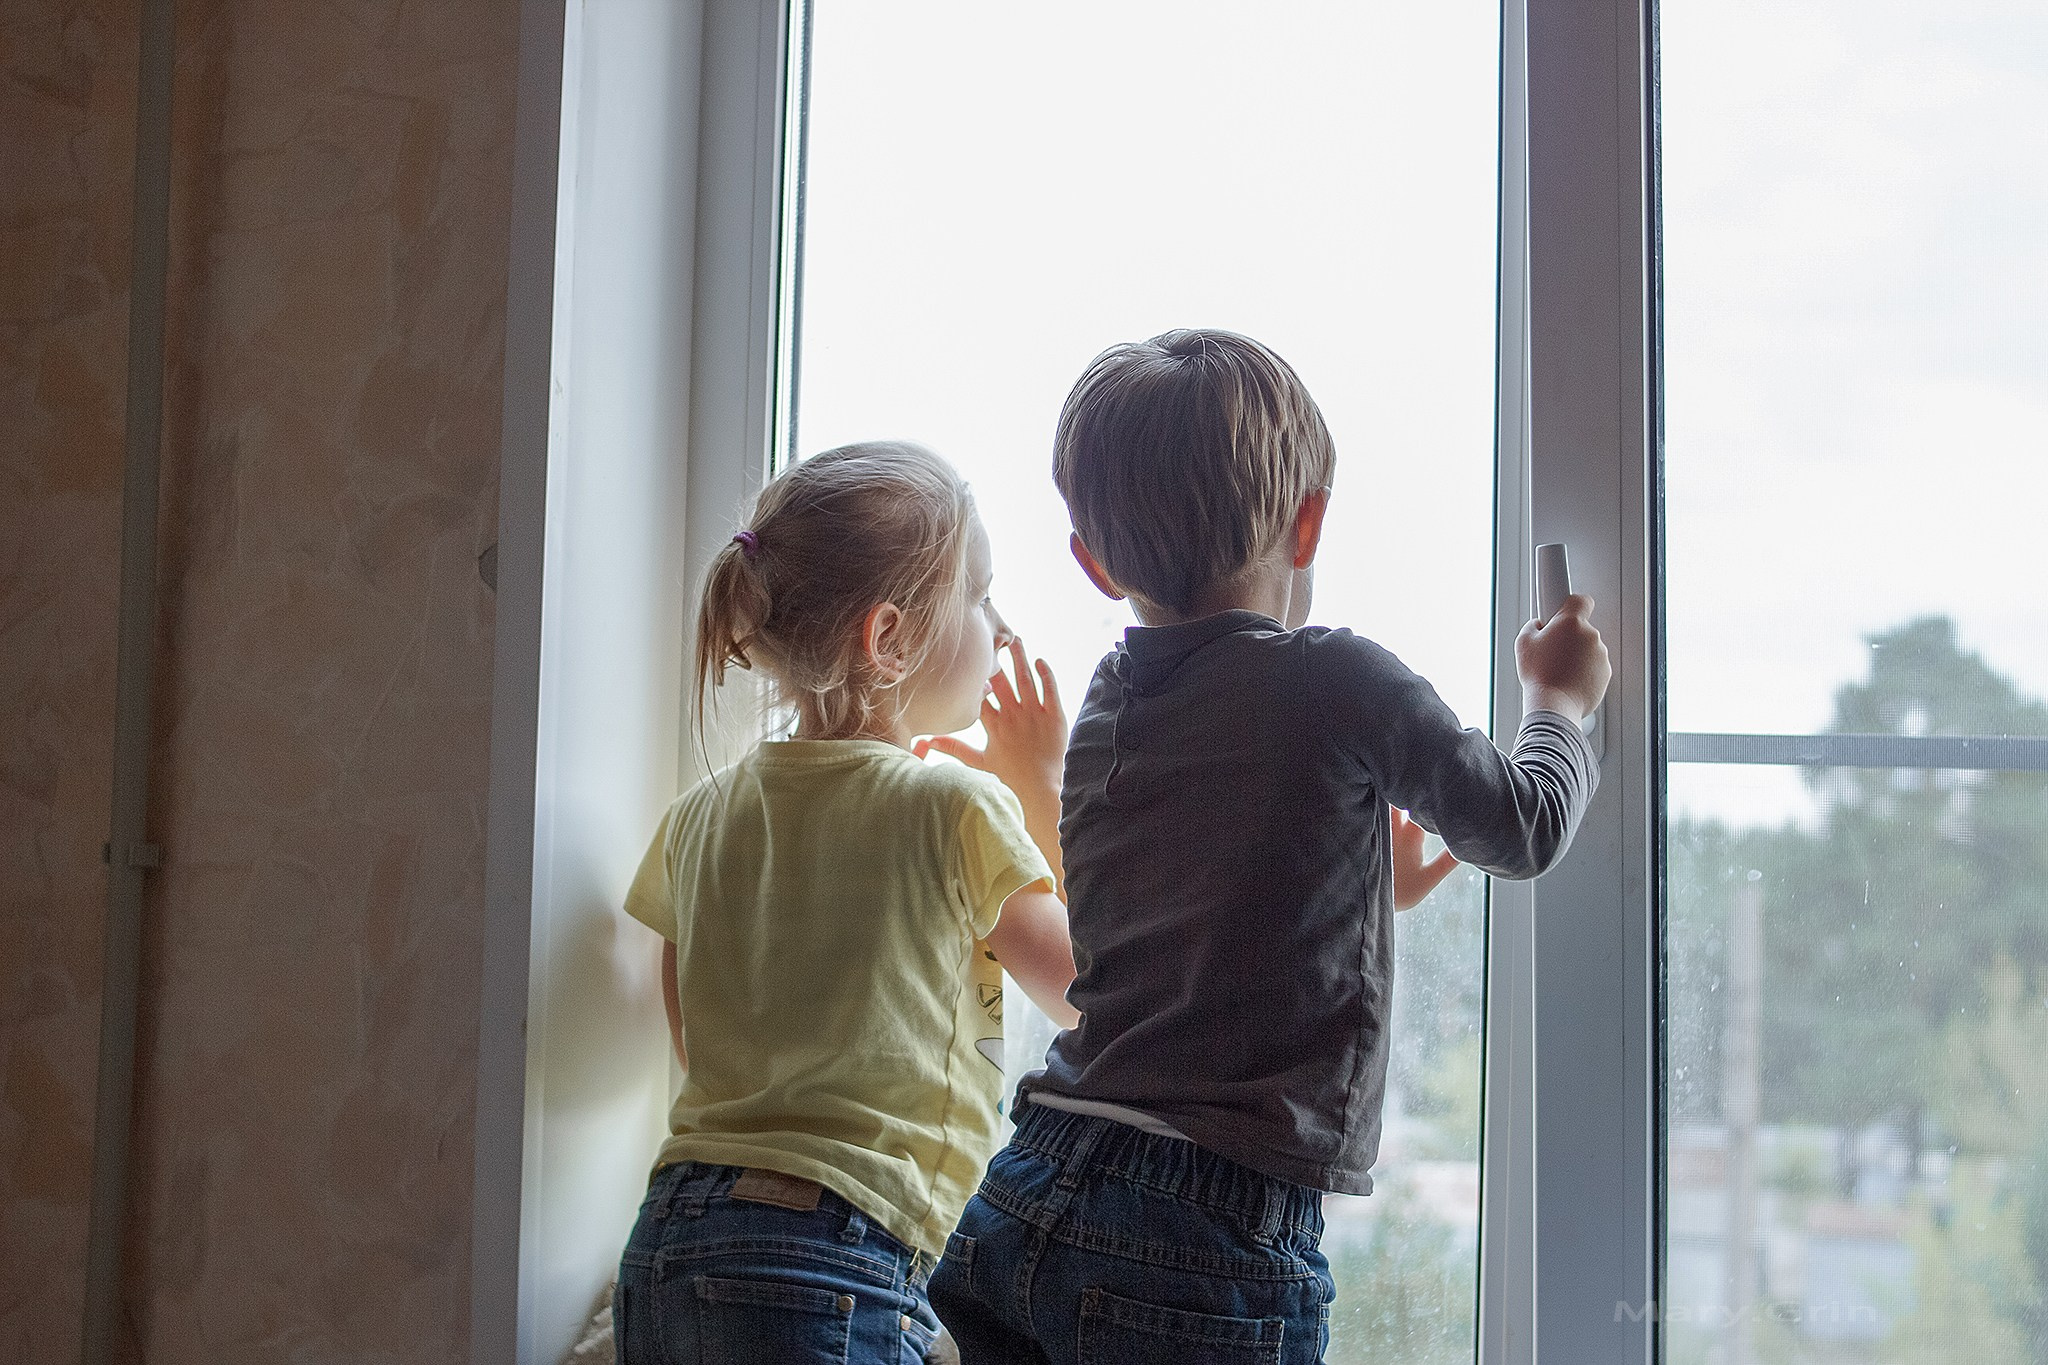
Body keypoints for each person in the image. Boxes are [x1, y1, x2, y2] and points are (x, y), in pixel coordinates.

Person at [927, 330, 1611, 1363]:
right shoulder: (1334, 679)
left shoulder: (1113, 704)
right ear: (1308, 522)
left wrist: (1365, 894)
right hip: (1203, 1236)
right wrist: (1557, 700)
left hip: (1026, 1194)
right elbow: (1521, 826)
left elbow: (1177, 935)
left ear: (1093, 562)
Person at [614, 440, 1080, 1365]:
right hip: (832, 1255)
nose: (1003, 627)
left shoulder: (697, 818)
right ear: (889, 638)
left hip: (666, 1244)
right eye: (980, 596)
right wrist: (1042, 791)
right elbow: (1088, 990)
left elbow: (695, 1041)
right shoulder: (956, 806)